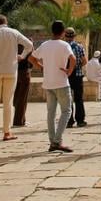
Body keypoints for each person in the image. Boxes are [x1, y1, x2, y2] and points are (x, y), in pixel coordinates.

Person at [0, 15, 33, 143]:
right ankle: (7, 132)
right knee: (8, 102)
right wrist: (21, 56)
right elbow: (29, 45)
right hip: (11, 70)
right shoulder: (14, 32)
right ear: (6, 22)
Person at [29, 21, 75, 152]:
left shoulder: (45, 45)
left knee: (51, 113)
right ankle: (57, 140)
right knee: (66, 111)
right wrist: (69, 71)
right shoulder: (64, 45)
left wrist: (42, 67)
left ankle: (52, 141)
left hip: (48, 83)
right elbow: (73, 59)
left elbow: (31, 59)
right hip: (61, 82)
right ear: (63, 31)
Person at [65, 28, 87, 128]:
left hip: (66, 75)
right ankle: (80, 120)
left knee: (68, 99)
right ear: (74, 36)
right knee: (79, 99)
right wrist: (78, 66)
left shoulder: (63, 47)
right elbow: (84, 61)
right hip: (77, 75)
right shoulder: (79, 46)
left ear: (65, 36)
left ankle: (69, 121)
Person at [12, 44, 32, 128]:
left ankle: (22, 119)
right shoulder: (27, 50)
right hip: (24, 73)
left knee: (17, 97)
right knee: (22, 98)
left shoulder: (15, 48)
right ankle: (19, 121)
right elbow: (31, 62)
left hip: (15, 73)